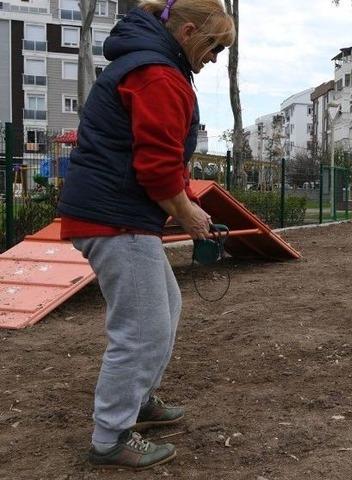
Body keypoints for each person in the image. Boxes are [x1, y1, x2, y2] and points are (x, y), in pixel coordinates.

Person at [57, 0, 234, 470]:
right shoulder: (157, 74)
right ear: (190, 30)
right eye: (214, 47)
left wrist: (185, 205)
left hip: (121, 213)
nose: (214, 59)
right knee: (140, 331)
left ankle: (138, 401)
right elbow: (155, 169)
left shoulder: (153, 66)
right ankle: (110, 436)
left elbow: (163, 161)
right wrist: (188, 214)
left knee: (166, 309)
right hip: (114, 217)